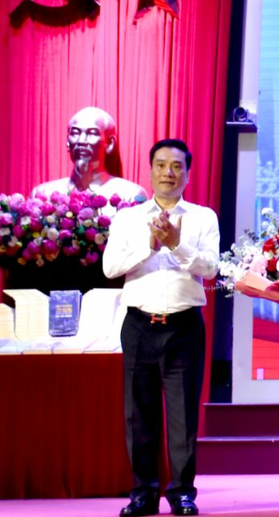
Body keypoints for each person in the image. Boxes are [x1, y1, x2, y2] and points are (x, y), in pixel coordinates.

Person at [103, 139, 219, 517]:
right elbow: (110, 268)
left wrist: (177, 244)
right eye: (161, 165)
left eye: (177, 166)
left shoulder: (203, 217)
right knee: (139, 414)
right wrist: (150, 246)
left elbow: (211, 268)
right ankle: (143, 493)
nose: (169, 173)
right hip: (139, 324)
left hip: (184, 326)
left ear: (188, 173)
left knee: (183, 415)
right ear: (150, 170)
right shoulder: (128, 218)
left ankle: (182, 493)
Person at [34, 106, 147, 201]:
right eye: (75, 133)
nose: (81, 141)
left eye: (92, 133)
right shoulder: (44, 195)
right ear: (67, 142)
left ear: (110, 144)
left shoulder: (129, 195)